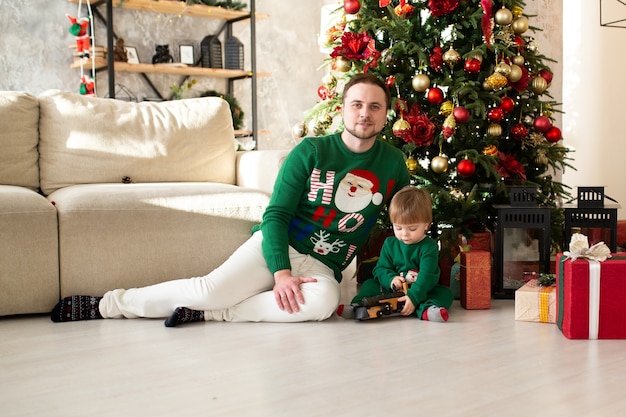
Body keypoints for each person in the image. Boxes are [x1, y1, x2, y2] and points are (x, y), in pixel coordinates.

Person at [50, 73, 411, 326]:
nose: (365, 113)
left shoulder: (392, 163)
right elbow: (276, 215)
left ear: (385, 113)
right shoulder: (312, 152)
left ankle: (214, 315)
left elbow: (401, 222)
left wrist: (407, 279)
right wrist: (281, 272)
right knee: (209, 291)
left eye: (375, 107)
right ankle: (108, 305)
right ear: (343, 108)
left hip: (323, 267)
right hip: (280, 244)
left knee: (323, 304)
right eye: (357, 104)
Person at [337, 186, 453, 321]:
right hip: (392, 289)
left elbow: (427, 276)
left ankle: (427, 310)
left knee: (444, 293)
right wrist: (391, 279)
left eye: (412, 228)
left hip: (420, 288)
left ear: (426, 225)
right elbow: (381, 269)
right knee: (369, 284)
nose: (404, 234)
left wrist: (413, 297)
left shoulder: (429, 246)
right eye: (398, 228)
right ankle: (357, 306)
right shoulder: (390, 243)